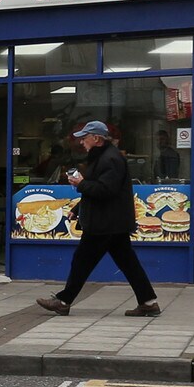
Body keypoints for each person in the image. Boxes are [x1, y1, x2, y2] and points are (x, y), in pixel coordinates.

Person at [35, 120, 161, 317]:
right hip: (111, 222)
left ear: (97, 138)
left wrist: (80, 183)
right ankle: (148, 302)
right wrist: (78, 208)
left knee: (82, 261)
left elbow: (105, 190)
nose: (81, 142)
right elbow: (97, 188)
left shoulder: (110, 160)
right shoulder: (103, 157)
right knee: (128, 263)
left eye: (85, 138)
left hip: (105, 223)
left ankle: (63, 301)